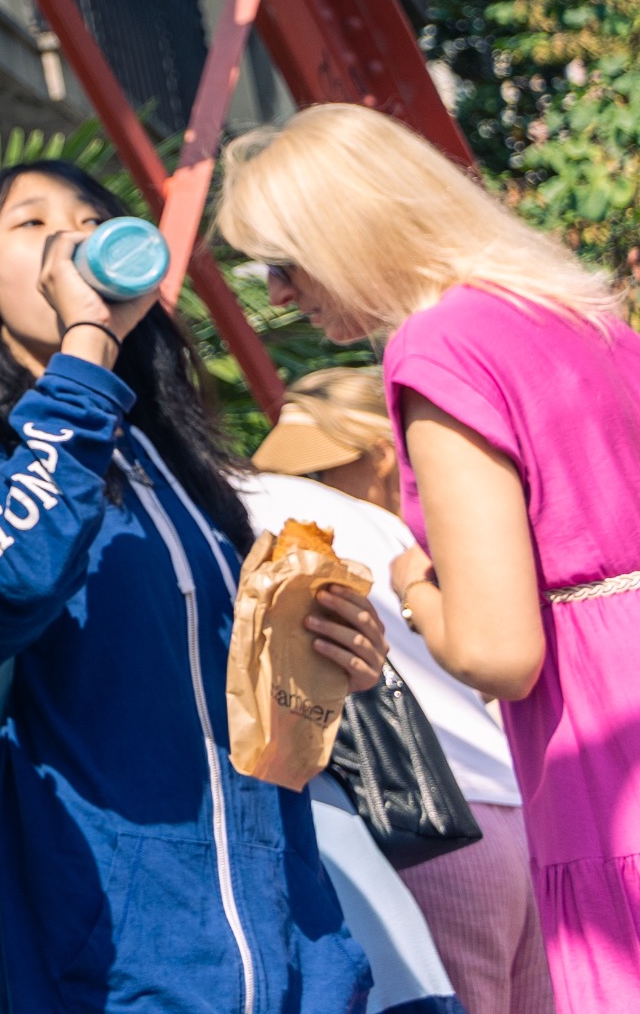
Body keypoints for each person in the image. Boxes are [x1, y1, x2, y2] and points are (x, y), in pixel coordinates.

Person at [0, 158, 390, 1014]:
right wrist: (87, 345)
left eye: (94, 218)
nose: (75, 236)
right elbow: (9, 583)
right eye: (32, 224)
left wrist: (333, 657)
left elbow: (234, 689)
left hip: (291, 936)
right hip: (108, 948)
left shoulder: (175, 461)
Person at [219, 103, 640, 1014]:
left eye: (281, 265)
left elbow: (498, 653)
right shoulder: (571, 311)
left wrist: (413, 583)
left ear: (343, 234)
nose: (277, 295)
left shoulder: (444, 343)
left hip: (600, 740)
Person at [249, 366, 552, 1014]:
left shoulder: (261, 509)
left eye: (330, 465)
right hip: (507, 808)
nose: (324, 483)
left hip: (411, 823)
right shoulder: (396, 532)